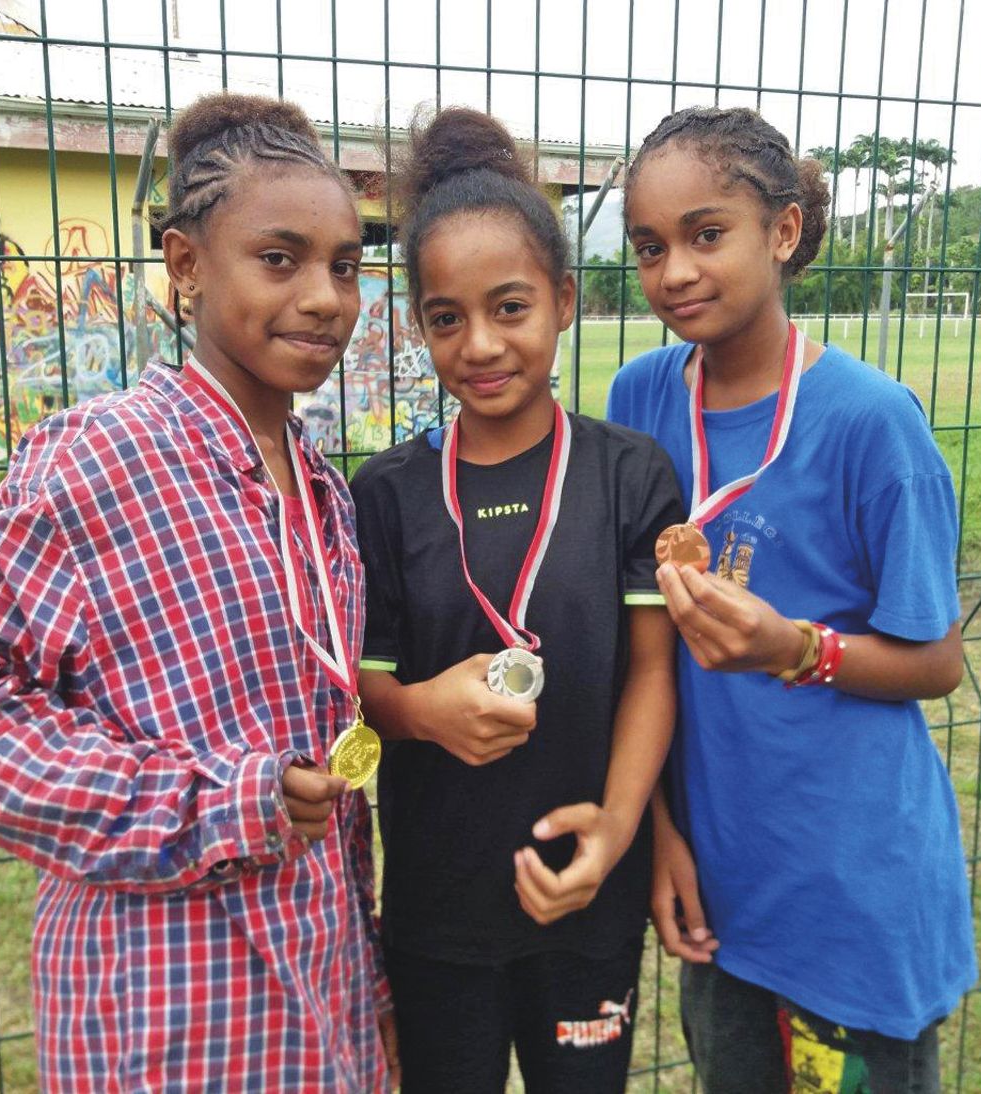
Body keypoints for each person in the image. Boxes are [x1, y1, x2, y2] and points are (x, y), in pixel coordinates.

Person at [0, 92, 396, 1092]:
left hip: (314, 1000)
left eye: (345, 265)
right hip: (169, 1014)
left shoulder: (323, 491)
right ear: (183, 265)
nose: (325, 297)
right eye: (279, 258)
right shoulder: (103, 458)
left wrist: (367, 995)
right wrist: (210, 801)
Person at [606, 105, 977, 1093]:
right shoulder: (640, 397)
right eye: (648, 246)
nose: (673, 270)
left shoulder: (868, 424)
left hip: (848, 892)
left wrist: (794, 646)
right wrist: (658, 830)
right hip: (721, 890)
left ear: (780, 231)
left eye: (704, 233)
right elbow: (631, 645)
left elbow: (934, 660)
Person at [350, 107, 685, 1093]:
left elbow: (654, 672)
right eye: (445, 317)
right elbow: (368, 691)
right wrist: (419, 710)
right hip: (437, 907)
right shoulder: (387, 492)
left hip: (586, 888)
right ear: (416, 325)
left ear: (564, 300)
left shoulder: (628, 475)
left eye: (510, 307)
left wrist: (616, 831)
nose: (480, 344)